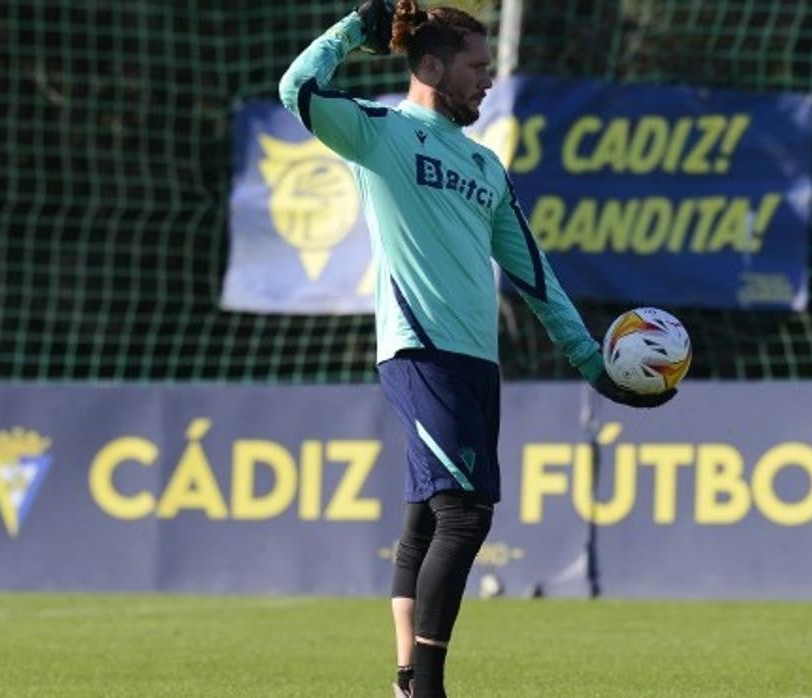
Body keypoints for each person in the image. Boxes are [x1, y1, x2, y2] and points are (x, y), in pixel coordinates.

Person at [279, 2, 675, 695]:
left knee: (428, 519)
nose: (488, 80)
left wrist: (595, 365)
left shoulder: (485, 165)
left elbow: (534, 274)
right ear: (430, 67)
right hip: (419, 351)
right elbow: (297, 90)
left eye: (489, 68)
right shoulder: (381, 132)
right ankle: (426, 687)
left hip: (476, 364)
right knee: (465, 515)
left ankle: (406, 680)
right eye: (476, 67)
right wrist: (352, 28)